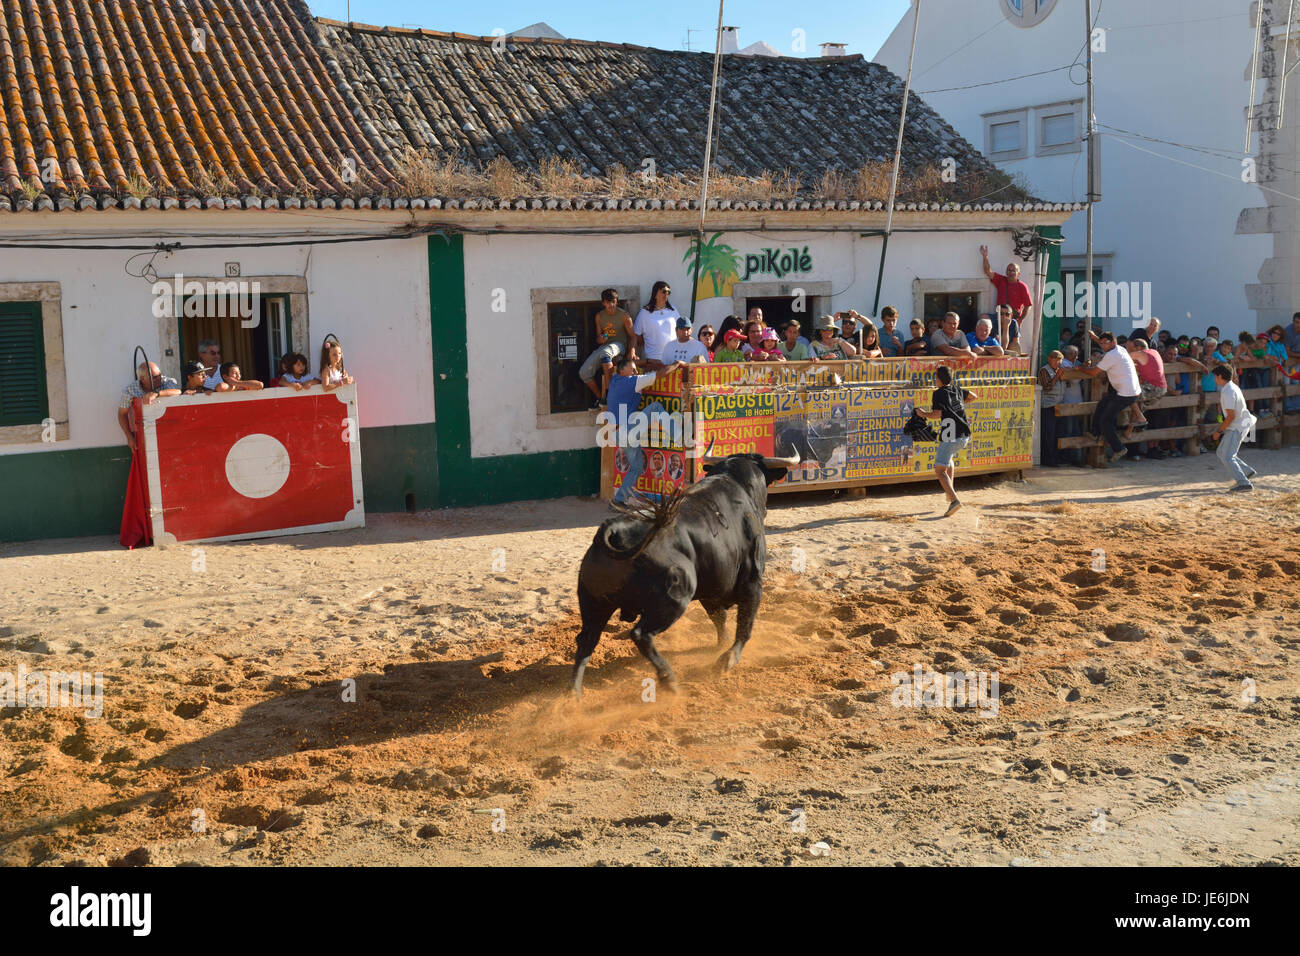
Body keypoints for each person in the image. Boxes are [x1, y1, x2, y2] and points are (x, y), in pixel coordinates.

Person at [607, 356, 687, 507]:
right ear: (623, 370)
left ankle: (618, 501)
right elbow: (661, 374)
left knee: (636, 468)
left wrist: (649, 362)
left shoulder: (614, 379)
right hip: (627, 431)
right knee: (656, 407)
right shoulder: (633, 381)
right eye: (633, 369)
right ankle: (680, 436)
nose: (636, 372)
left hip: (617, 435)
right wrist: (676, 364)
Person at [916, 365, 976, 517]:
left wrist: (923, 414)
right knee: (948, 461)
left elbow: (936, 414)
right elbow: (973, 396)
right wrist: (957, 408)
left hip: (951, 436)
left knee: (939, 469)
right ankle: (950, 493)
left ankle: (954, 500)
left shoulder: (938, 393)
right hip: (964, 435)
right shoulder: (956, 389)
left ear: (938, 379)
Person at [1079, 331, 1140, 463]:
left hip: (1125, 393)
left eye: (1105, 343)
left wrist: (1080, 369)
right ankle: (1095, 432)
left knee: (1105, 421)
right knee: (1103, 403)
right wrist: (1096, 338)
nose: (1102, 346)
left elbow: (1094, 372)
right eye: (1100, 343)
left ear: (1113, 342)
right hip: (1128, 391)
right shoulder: (1120, 349)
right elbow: (1105, 343)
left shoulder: (1111, 355)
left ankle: (1119, 448)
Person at [579, 288, 634, 408]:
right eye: (608, 302)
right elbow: (598, 338)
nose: (611, 305)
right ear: (603, 303)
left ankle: (610, 393)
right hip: (605, 348)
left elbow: (633, 337)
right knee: (583, 373)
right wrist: (601, 339)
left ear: (617, 301)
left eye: (613, 301)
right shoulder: (599, 316)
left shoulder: (624, 316)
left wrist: (632, 352)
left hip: (620, 346)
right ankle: (601, 398)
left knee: (605, 353)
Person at [1210, 365, 1258, 492]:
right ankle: (1246, 472)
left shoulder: (1228, 391)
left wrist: (1219, 431)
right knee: (1222, 453)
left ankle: (1244, 483)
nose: (1214, 379)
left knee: (1227, 456)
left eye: (1215, 376)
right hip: (1240, 424)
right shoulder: (1231, 387)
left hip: (1237, 426)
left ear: (1220, 376)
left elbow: (1231, 416)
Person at [118, 361, 180, 452]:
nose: (159, 378)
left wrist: (157, 394)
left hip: (169, 431)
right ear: (142, 379)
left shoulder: (165, 381)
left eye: (160, 375)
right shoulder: (130, 390)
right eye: (154, 377)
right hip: (144, 435)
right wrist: (129, 436)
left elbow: (178, 391)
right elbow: (122, 414)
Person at [979, 245, 1033, 345]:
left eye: (1013, 270)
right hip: (998, 316)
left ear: (1018, 273)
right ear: (1006, 272)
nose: (1011, 272)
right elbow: (988, 271)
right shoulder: (1001, 281)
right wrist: (985, 256)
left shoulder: (1022, 286)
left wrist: (1020, 320)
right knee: (983, 317)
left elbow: (1028, 305)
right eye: (1009, 270)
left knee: (1014, 344)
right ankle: (984, 344)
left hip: (1011, 318)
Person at [1120, 335, 1166, 442]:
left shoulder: (1141, 353)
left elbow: (1122, 359)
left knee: (1127, 392)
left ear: (1138, 348)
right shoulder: (1154, 352)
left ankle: (1139, 418)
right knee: (1137, 406)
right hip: (1161, 388)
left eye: (1132, 349)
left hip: (1152, 387)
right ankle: (1129, 431)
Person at [633, 280, 680, 366]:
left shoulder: (673, 310)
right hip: (653, 359)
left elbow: (680, 330)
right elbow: (636, 335)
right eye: (664, 291)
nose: (666, 294)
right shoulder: (645, 313)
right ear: (655, 293)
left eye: (668, 292)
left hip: (673, 357)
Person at [1038, 350, 1066, 467]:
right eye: (1055, 360)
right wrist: (1057, 377)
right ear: (1050, 359)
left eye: (1060, 360)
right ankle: (1048, 459)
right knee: (1048, 434)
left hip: (1058, 406)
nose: (1058, 362)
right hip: (1048, 406)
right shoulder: (1044, 370)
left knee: (1057, 433)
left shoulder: (1059, 370)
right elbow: (1047, 387)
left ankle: (1055, 458)